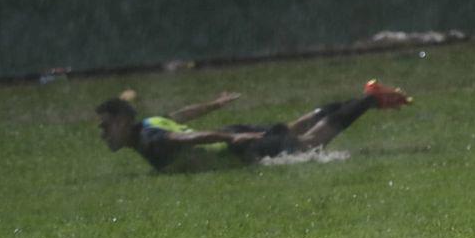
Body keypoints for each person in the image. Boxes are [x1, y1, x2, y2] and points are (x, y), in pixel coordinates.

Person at [96, 79, 412, 171]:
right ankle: (353, 101)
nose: (103, 134)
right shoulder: (149, 123)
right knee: (290, 129)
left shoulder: (150, 141)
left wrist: (228, 139)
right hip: (234, 135)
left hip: (236, 146)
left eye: (106, 127)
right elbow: (180, 116)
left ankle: (369, 99)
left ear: (123, 122)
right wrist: (214, 104)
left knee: (308, 144)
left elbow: (187, 138)